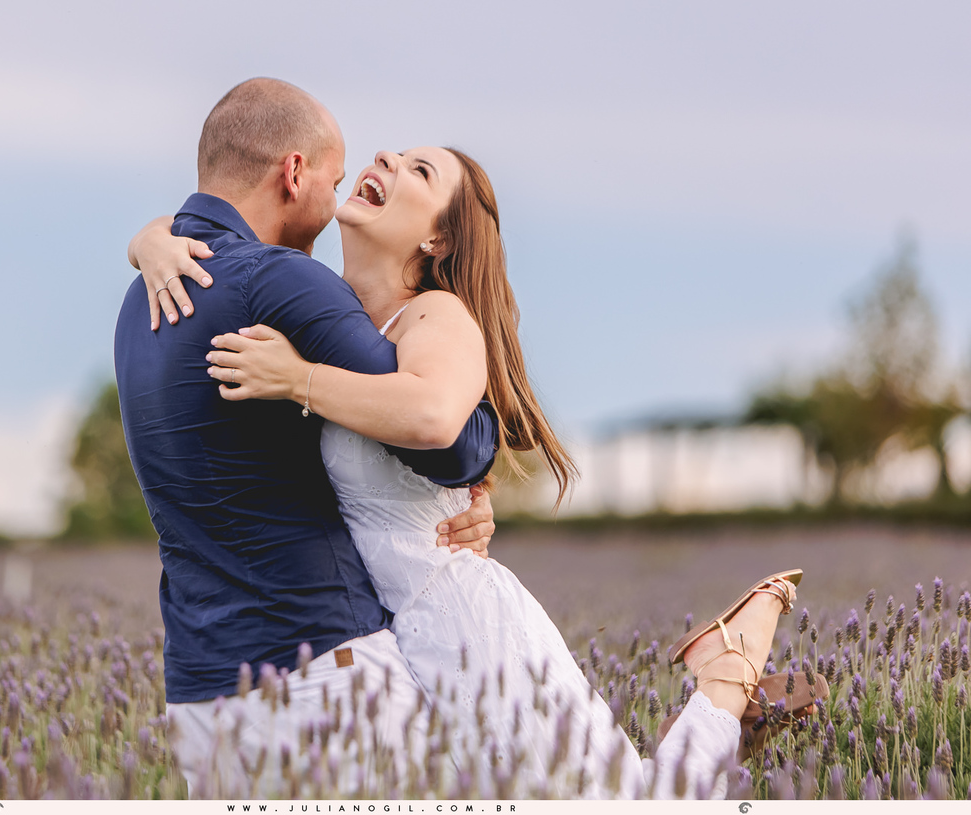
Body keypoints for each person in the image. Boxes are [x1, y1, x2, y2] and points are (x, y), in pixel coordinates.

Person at [134, 142, 828, 797]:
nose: (387, 159)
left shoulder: (435, 314)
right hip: (394, 638)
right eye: (395, 155)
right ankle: (716, 716)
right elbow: (213, 227)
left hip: (465, 629)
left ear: (438, 239)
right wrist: (150, 242)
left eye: (420, 171)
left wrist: (298, 380)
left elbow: (435, 417)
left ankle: (725, 677)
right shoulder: (332, 318)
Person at [114, 78, 501, 798]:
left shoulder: (143, 296)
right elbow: (445, 440)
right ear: (294, 173)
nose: (340, 191)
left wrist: (145, 240)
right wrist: (481, 466)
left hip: (199, 700)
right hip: (320, 674)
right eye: (334, 175)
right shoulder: (282, 281)